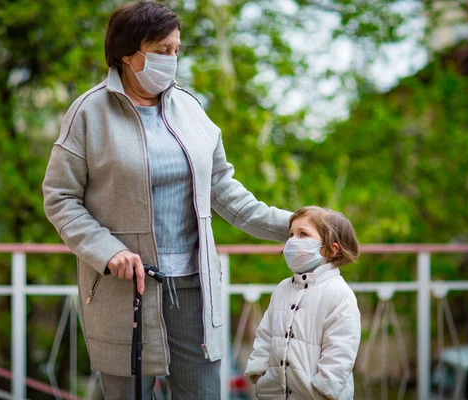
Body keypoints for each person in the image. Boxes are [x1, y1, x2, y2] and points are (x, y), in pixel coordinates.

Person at [41, 1, 292, 398]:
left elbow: (224, 191)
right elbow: (60, 198)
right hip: (124, 291)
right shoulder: (88, 113)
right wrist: (108, 252)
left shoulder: (191, 109)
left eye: (176, 50)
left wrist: (292, 225)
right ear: (127, 53)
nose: (171, 60)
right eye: (161, 51)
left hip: (194, 290)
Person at [245, 206, 361, 399]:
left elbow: (341, 349)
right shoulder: (283, 288)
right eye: (291, 234)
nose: (292, 241)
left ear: (330, 249)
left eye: (303, 234)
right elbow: (265, 334)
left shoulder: (339, 293)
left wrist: (324, 389)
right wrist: (259, 373)